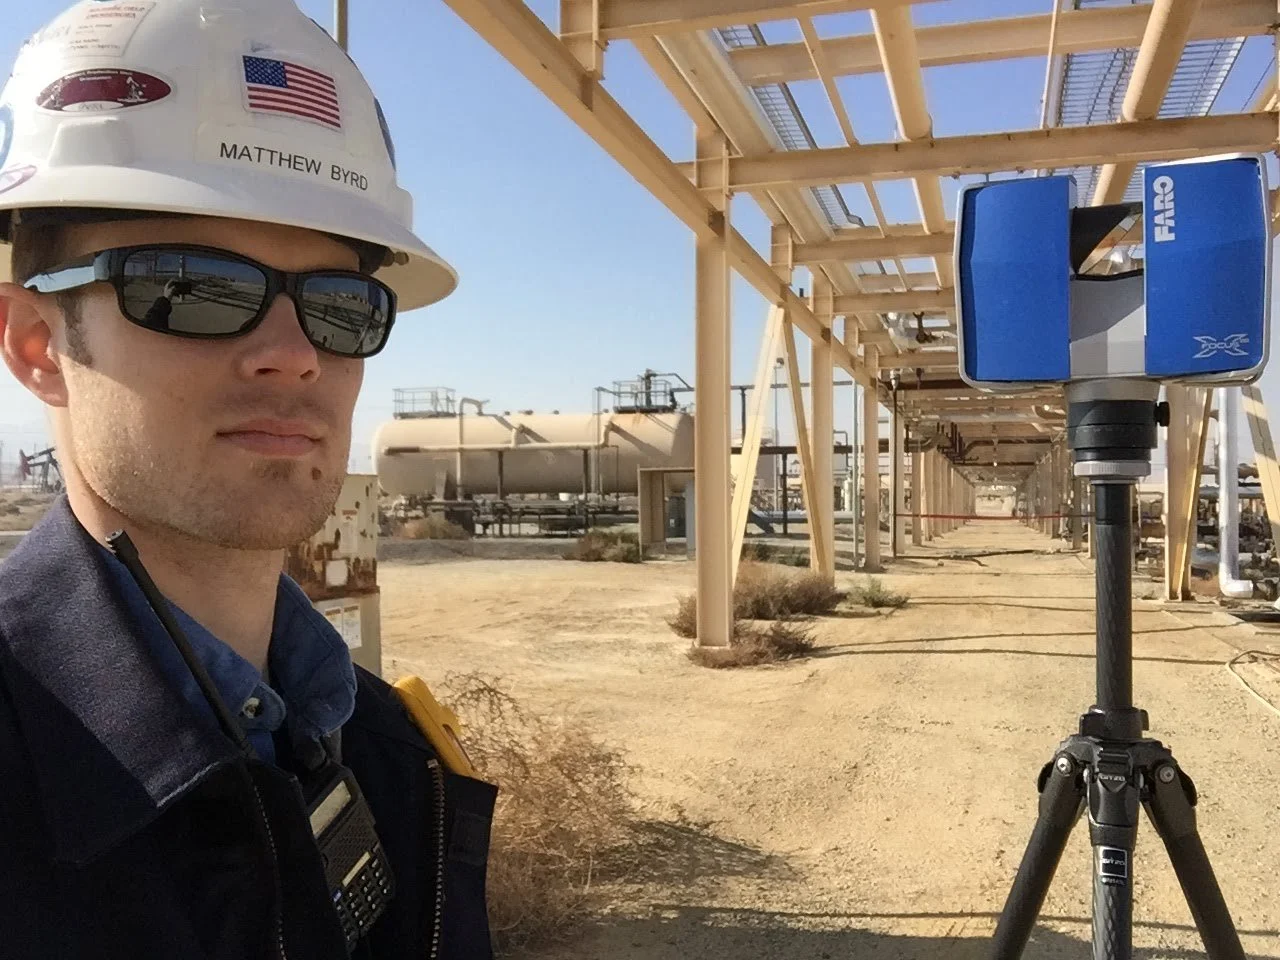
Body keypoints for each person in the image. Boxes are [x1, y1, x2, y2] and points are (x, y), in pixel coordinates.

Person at [0, 1, 496, 958]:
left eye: (342, 306)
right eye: (192, 285)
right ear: (36, 345)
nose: (293, 354)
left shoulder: (387, 749)